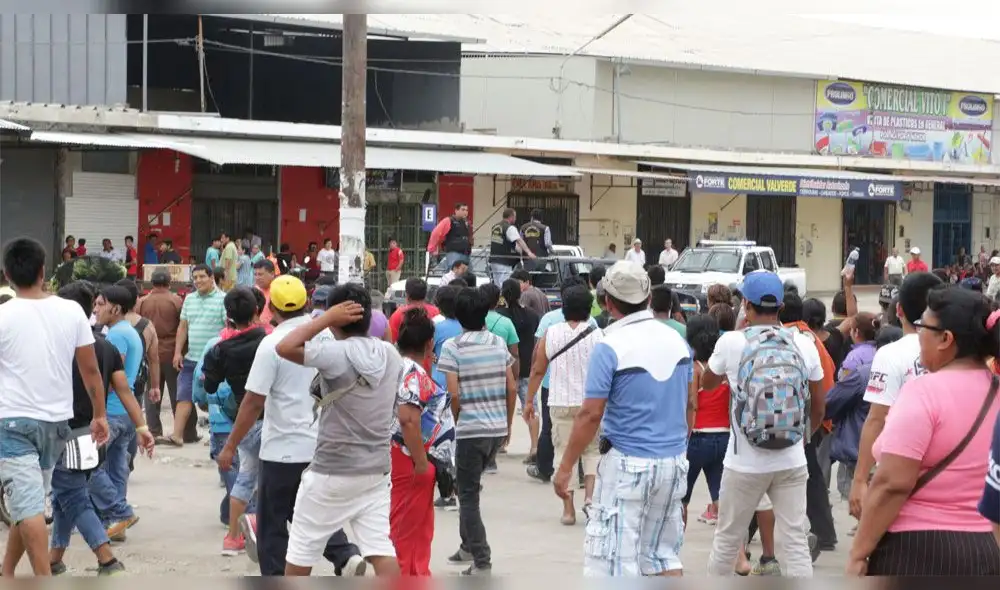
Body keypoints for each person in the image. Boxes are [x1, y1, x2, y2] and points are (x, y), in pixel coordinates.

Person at [217, 277, 365, 576]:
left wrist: (231, 444)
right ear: (307, 303)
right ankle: (344, 554)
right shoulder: (327, 340)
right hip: (321, 446)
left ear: (270, 308)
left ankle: (275, 576)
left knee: (272, 526)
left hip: (281, 451)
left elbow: (253, 402)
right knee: (310, 510)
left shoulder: (271, 345)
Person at [848, 286, 1000, 576]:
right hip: (987, 551)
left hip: (919, 550)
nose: (918, 335)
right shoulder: (995, 390)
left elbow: (893, 483)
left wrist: (859, 553)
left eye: (923, 327)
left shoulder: (923, 391)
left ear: (946, 339)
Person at [559, 260, 691, 576]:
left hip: (629, 464)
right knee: (663, 557)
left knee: (615, 564)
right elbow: (687, 404)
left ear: (606, 302)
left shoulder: (610, 345)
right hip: (673, 462)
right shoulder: (678, 341)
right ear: (648, 299)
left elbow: (591, 414)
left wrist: (565, 467)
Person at [702, 270, 826, 578]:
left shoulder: (731, 342)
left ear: (746, 304)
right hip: (792, 459)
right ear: (781, 306)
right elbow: (820, 406)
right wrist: (801, 438)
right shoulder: (803, 344)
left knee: (727, 540)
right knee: (796, 541)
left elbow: (708, 382)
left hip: (743, 463)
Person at [274, 283, 402, 577]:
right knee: (380, 549)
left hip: (332, 472)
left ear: (338, 318)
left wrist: (325, 319)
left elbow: (285, 346)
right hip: (376, 471)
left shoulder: (334, 353)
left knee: (301, 549)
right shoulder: (389, 354)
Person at [0, 238, 109, 577]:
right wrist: (100, 414)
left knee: (29, 505)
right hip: (56, 424)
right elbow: (90, 370)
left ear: (6, 275)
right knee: (28, 502)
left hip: (12, 422)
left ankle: (43, 579)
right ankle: (6, 573)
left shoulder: (3, 314)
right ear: (43, 271)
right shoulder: (72, 311)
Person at [48, 281, 154, 577]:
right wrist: (142, 426)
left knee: (71, 494)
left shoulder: (59, 345)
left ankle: (106, 558)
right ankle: (54, 558)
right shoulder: (104, 345)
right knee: (64, 495)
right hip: (91, 430)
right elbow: (124, 390)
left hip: (64, 431)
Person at [849, 272, 943, 520]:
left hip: (898, 471)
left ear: (899, 310)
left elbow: (877, 419)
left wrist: (860, 479)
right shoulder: (955, 349)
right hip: (949, 472)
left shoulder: (891, 354)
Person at [437, 287, 517, 576]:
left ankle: (481, 558)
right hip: (495, 428)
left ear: (458, 316)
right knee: (466, 485)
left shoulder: (453, 347)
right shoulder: (498, 342)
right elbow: (510, 387)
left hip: (471, 429)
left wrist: (459, 422)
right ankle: (467, 546)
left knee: (467, 494)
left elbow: (454, 395)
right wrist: (507, 425)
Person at [525, 285, 602, 525]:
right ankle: (590, 499)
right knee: (592, 452)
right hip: (589, 404)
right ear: (589, 309)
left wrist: (529, 400)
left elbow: (538, 369)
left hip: (559, 401)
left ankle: (568, 509)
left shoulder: (552, 332)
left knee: (563, 452)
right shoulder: (598, 334)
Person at [202, 287, 268, 555]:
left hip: (245, 423)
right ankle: (266, 533)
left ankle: (233, 538)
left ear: (227, 315)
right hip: (274, 421)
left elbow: (209, 386)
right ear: (257, 310)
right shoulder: (271, 341)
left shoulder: (220, 350)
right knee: (272, 479)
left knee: (246, 476)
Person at [391, 308, 456, 575]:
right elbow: (408, 419)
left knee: (417, 524)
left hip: (411, 458)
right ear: (430, 343)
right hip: (411, 459)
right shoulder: (412, 374)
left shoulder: (398, 367)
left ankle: (416, 574)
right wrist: (420, 461)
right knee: (409, 526)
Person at [88, 286, 146, 541]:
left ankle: (119, 512)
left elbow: (111, 377)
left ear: (117, 309)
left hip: (111, 410)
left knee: (88, 467)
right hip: (124, 411)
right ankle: (116, 522)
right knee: (116, 468)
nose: (96, 309)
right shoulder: (128, 332)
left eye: (101, 304)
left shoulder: (117, 337)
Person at [164, 264, 226, 448]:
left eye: (202, 277)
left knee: (215, 398)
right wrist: (177, 352)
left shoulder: (223, 299)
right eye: (195, 277)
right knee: (183, 396)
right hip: (191, 358)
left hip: (214, 359)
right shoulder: (189, 299)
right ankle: (177, 435)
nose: (198, 281)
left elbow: (227, 328)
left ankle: (215, 435)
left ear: (211, 277)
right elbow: (183, 327)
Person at [824, 312, 878, 515]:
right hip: (878, 432)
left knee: (850, 486)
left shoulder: (854, 359)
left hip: (857, 432)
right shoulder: (878, 353)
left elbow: (842, 393)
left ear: (855, 332)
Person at [137, 270, 197, 442]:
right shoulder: (176, 300)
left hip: (150, 352)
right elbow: (183, 326)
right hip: (172, 351)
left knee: (152, 393)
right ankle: (187, 432)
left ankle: (154, 431)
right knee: (179, 393)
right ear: (169, 283)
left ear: (151, 282)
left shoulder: (143, 302)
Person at [683, 314, 728, 529]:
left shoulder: (696, 368)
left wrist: (684, 437)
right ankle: (739, 553)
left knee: (682, 495)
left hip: (699, 437)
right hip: (724, 435)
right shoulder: (723, 368)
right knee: (720, 495)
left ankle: (675, 544)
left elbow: (693, 404)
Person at [496, 280, 540, 458]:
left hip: (504, 370)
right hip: (527, 368)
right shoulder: (531, 315)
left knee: (501, 407)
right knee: (530, 407)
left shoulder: (500, 316)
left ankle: (500, 444)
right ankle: (535, 447)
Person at [430, 285, 464, 510]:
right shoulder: (465, 326)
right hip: (463, 384)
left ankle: (448, 491)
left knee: (441, 442)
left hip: (439, 385)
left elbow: (428, 350)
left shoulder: (436, 326)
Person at [490, 208, 535, 287]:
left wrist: (519, 252)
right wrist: (529, 252)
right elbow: (519, 240)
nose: (515, 218)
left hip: (494, 260)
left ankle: (498, 299)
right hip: (504, 262)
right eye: (515, 216)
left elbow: (505, 242)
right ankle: (503, 299)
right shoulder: (509, 228)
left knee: (497, 284)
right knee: (504, 285)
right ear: (511, 217)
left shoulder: (495, 226)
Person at [389, 278, 440, 343]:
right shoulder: (436, 312)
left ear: (407, 295)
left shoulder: (398, 315)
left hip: (404, 352)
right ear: (425, 295)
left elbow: (392, 341)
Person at [428, 203, 473, 272]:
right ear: (456, 210)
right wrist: (432, 249)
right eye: (463, 209)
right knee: (453, 275)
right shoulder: (448, 220)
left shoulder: (466, 223)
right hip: (454, 253)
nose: (465, 212)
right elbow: (436, 233)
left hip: (466, 254)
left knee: (469, 276)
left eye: (467, 210)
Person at [254, 259, 277, 327]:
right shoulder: (255, 290)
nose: (257, 278)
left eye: (260, 274)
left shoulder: (278, 291)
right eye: (255, 274)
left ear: (272, 274)